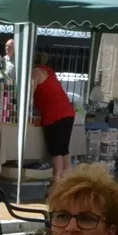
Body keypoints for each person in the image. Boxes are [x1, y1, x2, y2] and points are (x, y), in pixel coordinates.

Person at [30, 52, 75, 183]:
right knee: (64, 150)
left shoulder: (36, 72)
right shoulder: (50, 72)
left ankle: (57, 182)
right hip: (68, 113)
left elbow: (29, 94)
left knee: (56, 152)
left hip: (54, 115)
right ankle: (68, 183)